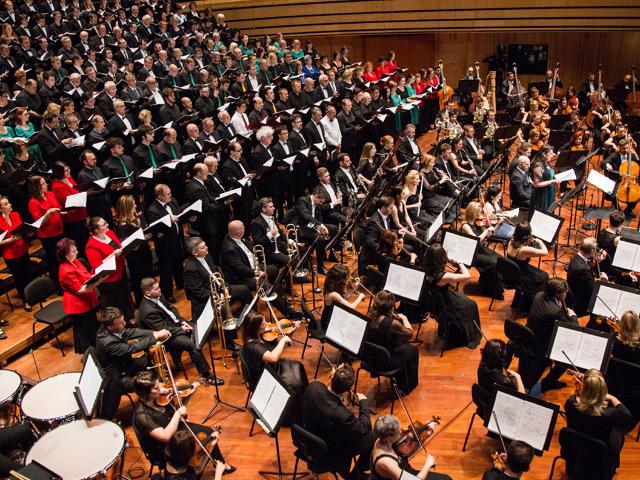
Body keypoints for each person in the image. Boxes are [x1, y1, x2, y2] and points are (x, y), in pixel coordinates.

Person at [132, 371, 235, 474]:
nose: (161, 389)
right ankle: (195, 469)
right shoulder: (141, 415)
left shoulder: (159, 397)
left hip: (174, 429)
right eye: (156, 388)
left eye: (159, 385)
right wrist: (178, 414)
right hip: (164, 446)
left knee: (208, 432)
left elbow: (175, 411)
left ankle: (219, 463)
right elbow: (165, 436)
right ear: (145, 393)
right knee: (201, 439)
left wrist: (188, 394)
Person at [138, 277, 221, 385]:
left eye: (158, 287)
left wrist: (182, 322)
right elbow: (162, 329)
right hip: (165, 337)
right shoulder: (148, 311)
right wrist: (181, 329)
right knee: (192, 345)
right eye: (156, 288)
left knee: (198, 328)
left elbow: (172, 310)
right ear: (148, 293)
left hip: (174, 326)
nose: (160, 289)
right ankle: (207, 375)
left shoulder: (158, 295)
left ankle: (179, 353)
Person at [302, 363, 375, 479]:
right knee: (374, 435)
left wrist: (335, 376)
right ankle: (356, 474)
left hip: (309, 441)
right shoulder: (343, 415)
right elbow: (364, 427)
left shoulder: (313, 386)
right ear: (347, 389)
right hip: (331, 451)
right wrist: (363, 403)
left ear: (332, 376)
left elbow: (327, 400)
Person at [96, 306, 170, 420]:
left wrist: (154, 333)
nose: (124, 323)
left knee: (150, 368)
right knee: (151, 382)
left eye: (123, 320)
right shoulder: (107, 342)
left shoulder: (109, 328)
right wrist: (154, 337)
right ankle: (157, 410)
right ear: (110, 327)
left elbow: (130, 332)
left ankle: (159, 399)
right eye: (121, 323)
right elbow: (132, 348)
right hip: (118, 377)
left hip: (124, 364)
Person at [240, 312, 308, 425]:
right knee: (296, 384)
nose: (267, 324)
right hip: (265, 377)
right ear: (256, 328)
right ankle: (294, 417)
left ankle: (304, 404)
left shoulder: (259, 336)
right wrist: (283, 340)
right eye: (263, 323)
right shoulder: (252, 346)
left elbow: (276, 349)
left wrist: (291, 332)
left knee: (298, 366)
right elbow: (273, 358)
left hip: (269, 369)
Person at [565, 368, 633, 473]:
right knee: (618, 434)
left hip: (573, 452)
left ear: (583, 387)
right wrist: (612, 398)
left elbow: (581, 400)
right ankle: (611, 467)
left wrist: (586, 383)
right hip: (597, 459)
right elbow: (627, 416)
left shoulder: (570, 402)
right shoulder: (608, 414)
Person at [423, 244, 482, 349]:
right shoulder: (443, 277)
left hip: (435, 301)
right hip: (446, 304)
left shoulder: (425, 270)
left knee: (467, 301)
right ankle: (467, 335)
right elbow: (467, 276)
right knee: (472, 304)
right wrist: (460, 263)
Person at [367, 290, 419, 395]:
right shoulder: (391, 323)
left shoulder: (369, 315)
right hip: (385, 361)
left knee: (403, 346)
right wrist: (404, 319)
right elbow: (410, 334)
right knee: (413, 350)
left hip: (370, 358)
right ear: (390, 307)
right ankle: (405, 387)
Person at [370, 414, 451, 480]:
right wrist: (427, 465)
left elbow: (405, 452)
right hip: (409, 476)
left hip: (406, 471)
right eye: (398, 432)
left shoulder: (383, 438)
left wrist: (425, 433)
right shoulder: (386, 462)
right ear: (389, 438)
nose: (401, 432)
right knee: (446, 479)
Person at [58, 237, 103, 354]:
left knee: (92, 327)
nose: (77, 252)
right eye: (74, 251)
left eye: (76, 249)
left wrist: (97, 275)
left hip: (86, 301)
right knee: (84, 331)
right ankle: (89, 354)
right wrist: (97, 282)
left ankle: (97, 350)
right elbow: (79, 290)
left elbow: (86, 276)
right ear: (66, 256)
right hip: (78, 305)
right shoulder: (66, 271)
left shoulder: (76, 262)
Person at [85, 216, 134, 322]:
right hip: (108, 279)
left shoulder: (110, 233)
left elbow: (119, 246)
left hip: (120, 271)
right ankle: (118, 323)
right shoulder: (91, 246)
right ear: (97, 230)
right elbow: (97, 266)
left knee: (125, 295)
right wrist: (112, 255)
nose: (107, 224)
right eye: (104, 224)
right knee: (117, 301)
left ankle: (129, 318)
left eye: (106, 222)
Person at [146, 184, 185, 302]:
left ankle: (181, 284)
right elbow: (156, 231)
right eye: (168, 194)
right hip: (165, 245)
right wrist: (170, 221)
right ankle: (168, 294)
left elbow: (178, 214)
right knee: (166, 270)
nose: (171, 195)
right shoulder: (152, 210)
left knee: (178, 263)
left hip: (177, 238)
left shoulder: (172, 201)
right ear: (160, 196)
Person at [113, 195, 154, 305]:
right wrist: (141, 239)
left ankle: (153, 297)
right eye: (133, 204)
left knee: (149, 275)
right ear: (127, 207)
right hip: (135, 258)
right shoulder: (122, 226)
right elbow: (127, 246)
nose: (136, 206)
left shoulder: (137, 217)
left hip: (145, 252)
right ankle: (143, 303)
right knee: (139, 280)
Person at [460, 202, 505, 299]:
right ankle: (488, 289)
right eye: (479, 213)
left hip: (480, 249)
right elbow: (476, 240)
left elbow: (488, 236)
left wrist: (497, 225)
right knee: (493, 264)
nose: (481, 215)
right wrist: (486, 231)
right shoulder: (465, 225)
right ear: (472, 213)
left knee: (499, 259)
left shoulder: (478, 222)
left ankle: (490, 285)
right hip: (470, 253)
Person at [28, 175, 64, 289]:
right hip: (48, 235)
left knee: (63, 258)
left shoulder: (50, 194)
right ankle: (58, 286)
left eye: (45, 182)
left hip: (59, 230)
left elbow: (58, 209)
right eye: (43, 183)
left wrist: (64, 212)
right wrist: (48, 213)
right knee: (54, 261)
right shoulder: (33, 202)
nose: (46, 185)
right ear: (36, 187)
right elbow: (39, 223)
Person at [506, 222, 549, 311]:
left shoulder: (511, 241)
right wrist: (540, 242)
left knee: (541, 274)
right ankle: (529, 305)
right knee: (544, 276)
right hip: (520, 276)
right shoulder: (524, 250)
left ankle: (518, 302)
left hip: (511, 271)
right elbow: (545, 252)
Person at [0, 196, 33, 311]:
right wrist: (10, 240)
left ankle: (33, 296)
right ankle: (26, 300)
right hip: (10, 254)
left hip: (22, 248)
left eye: (8, 203)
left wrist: (28, 231)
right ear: (0, 209)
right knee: (19, 278)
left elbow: (21, 229)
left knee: (28, 274)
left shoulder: (16, 215)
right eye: (6, 204)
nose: (9, 205)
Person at [51, 161, 89, 250]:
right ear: (59, 173)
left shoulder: (69, 178)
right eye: (66, 170)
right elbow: (69, 203)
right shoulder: (57, 187)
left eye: (68, 169)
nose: (69, 171)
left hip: (81, 213)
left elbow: (77, 189)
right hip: (73, 219)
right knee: (80, 243)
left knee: (86, 238)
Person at [567, 237, 607, 318]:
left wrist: (597, 261)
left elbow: (586, 267)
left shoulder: (575, 256)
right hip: (581, 301)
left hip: (576, 289)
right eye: (595, 249)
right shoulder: (583, 270)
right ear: (592, 250)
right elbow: (594, 289)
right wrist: (604, 279)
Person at [321, 264, 365, 331]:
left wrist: (353, 289)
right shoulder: (333, 294)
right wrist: (360, 296)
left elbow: (343, 298)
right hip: (328, 323)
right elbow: (351, 308)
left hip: (333, 316)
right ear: (340, 280)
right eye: (346, 278)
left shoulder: (331, 287)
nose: (348, 280)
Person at [529, 146, 561, 213]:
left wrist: (554, 178)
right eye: (550, 154)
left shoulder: (547, 163)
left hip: (549, 192)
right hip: (541, 195)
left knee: (548, 213)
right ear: (544, 154)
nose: (552, 155)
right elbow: (537, 184)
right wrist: (552, 181)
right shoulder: (538, 166)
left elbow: (549, 175)